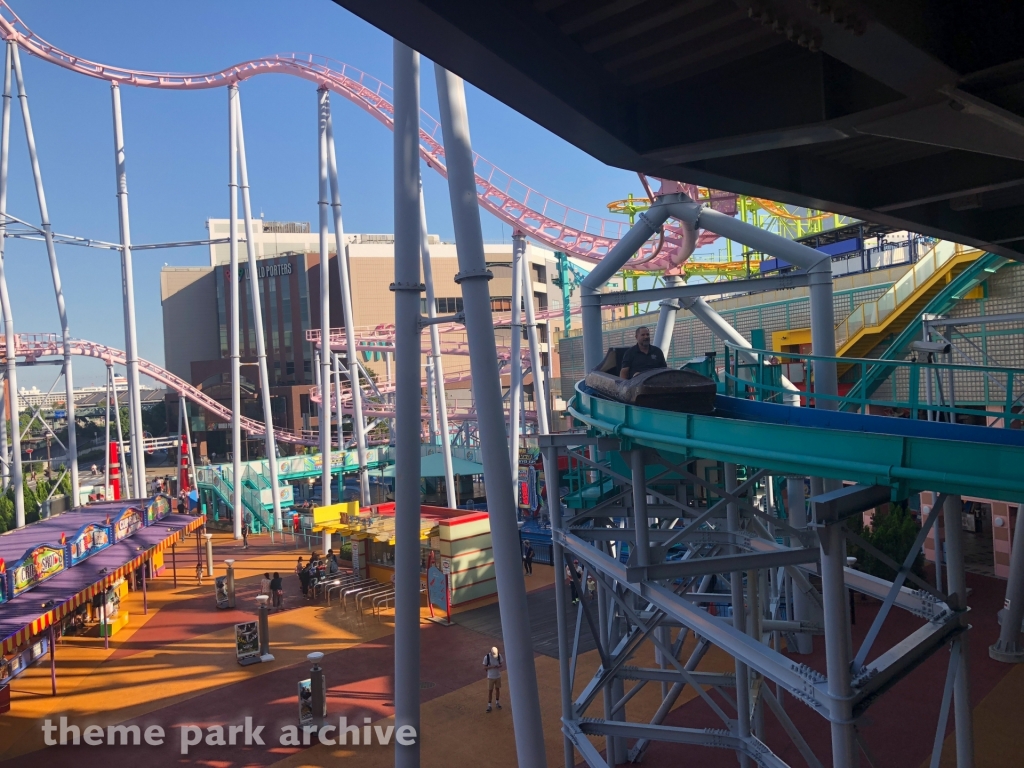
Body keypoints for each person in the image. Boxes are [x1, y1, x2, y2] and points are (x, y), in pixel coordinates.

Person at [483, 646, 503, 712]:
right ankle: (489, 705)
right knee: (490, 691)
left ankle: (497, 702)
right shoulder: (487, 657)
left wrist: (499, 666)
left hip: (497, 676)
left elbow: (501, 664)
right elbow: (485, 667)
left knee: (497, 689)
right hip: (490, 676)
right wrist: (492, 667)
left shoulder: (499, 656)